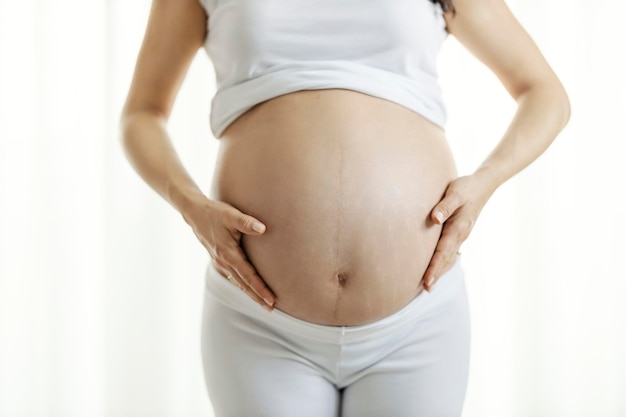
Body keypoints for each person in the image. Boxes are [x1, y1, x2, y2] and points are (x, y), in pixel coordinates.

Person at [120, 0, 570, 415]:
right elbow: (142, 112)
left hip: (417, 322)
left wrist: (484, 184)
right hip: (260, 324)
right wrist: (191, 205)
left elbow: (544, 92)